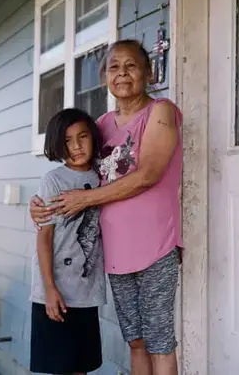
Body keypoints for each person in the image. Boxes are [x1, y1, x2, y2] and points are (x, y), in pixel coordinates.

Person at [30, 39, 183, 375]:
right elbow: (76, 174)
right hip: (114, 253)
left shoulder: (161, 112)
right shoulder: (99, 126)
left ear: (148, 72)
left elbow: (148, 175)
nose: (122, 73)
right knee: (136, 341)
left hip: (156, 245)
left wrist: (84, 200)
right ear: (104, 78)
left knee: (160, 340)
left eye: (131, 65)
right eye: (114, 67)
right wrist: (40, 206)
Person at [29, 108, 106, 375]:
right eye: (67, 141)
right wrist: (49, 289)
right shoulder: (54, 181)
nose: (76, 146)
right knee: (61, 368)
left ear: (93, 137)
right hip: (55, 292)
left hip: (85, 291)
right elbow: (45, 237)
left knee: (80, 368)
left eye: (82, 137)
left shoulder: (102, 178)